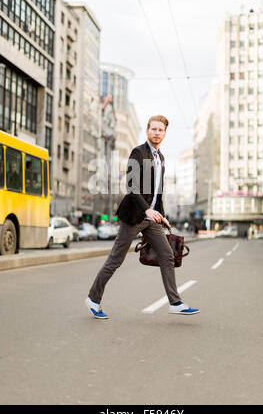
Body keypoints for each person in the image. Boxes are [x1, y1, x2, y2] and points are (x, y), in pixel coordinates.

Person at [85, 115, 200, 319]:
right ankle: (93, 298)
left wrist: (160, 214)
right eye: (153, 129)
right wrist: (147, 210)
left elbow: (158, 190)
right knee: (116, 259)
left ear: (165, 133)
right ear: (147, 131)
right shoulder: (138, 153)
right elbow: (131, 186)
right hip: (134, 216)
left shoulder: (161, 158)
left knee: (167, 255)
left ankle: (175, 303)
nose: (157, 133)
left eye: (160, 130)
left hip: (151, 219)